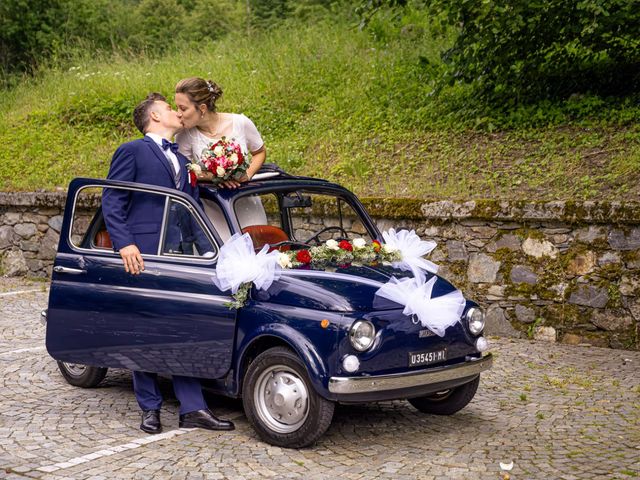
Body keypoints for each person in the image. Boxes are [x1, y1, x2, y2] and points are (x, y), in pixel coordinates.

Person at [101, 92, 234, 434]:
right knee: (145, 330)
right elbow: (112, 198)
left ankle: (193, 408)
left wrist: (211, 248)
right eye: (169, 109)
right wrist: (125, 243)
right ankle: (150, 408)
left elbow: (192, 207)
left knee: (184, 328)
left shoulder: (182, 158)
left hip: (182, 254)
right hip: (143, 253)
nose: (177, 112)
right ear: (155, 118)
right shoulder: (132, 151)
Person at [174, 77, 268, 227]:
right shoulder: (184, 135)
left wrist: (247, 174)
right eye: (177, 108)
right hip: (213, 209)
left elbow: (260, 152)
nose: (178, 113)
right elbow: (183, 173)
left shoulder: (240, 123)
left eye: (183, 108)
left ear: (202, 108)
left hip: (247, 205)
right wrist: (214, 176)